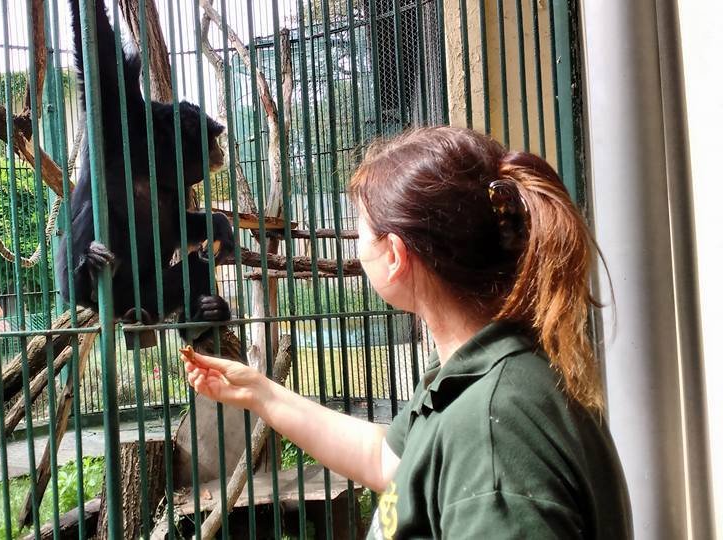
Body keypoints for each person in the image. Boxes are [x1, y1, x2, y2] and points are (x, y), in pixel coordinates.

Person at [181, 127, 632, 538]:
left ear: (395, 255)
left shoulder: (493, 435)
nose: (357, 247)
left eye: (361, 230)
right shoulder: (471, 377)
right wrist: (261, 392)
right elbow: (387, 459)